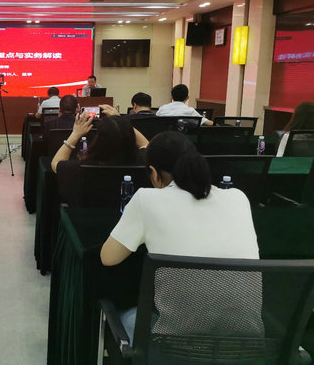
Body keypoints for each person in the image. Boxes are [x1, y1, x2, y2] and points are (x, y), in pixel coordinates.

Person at [100, 131, 260, 343]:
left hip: (173, 344)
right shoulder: (238, 198)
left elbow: (108, 258)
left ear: (153, 173)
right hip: (244, 344)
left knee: (126, 315)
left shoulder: (145, 199)